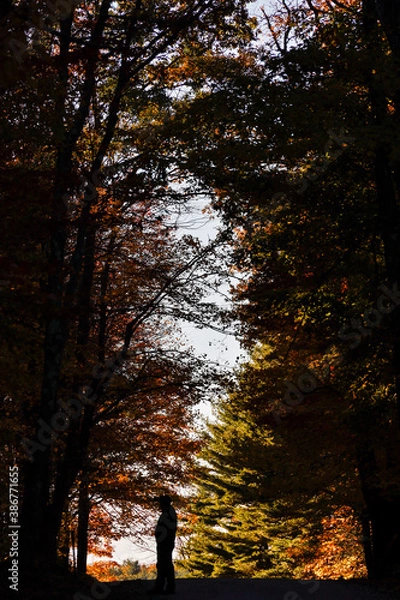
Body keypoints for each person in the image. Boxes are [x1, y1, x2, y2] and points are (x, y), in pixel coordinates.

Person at [148, 494, 177, 596]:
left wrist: (162, 536)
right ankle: (168, 586)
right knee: (166, 564)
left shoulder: (168, 513)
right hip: (164, 542)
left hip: (165, 543)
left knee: (163, 564)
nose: (159, 506)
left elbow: (170, 527)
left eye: (160, 503)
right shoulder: (168, 512)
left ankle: (161, 587)